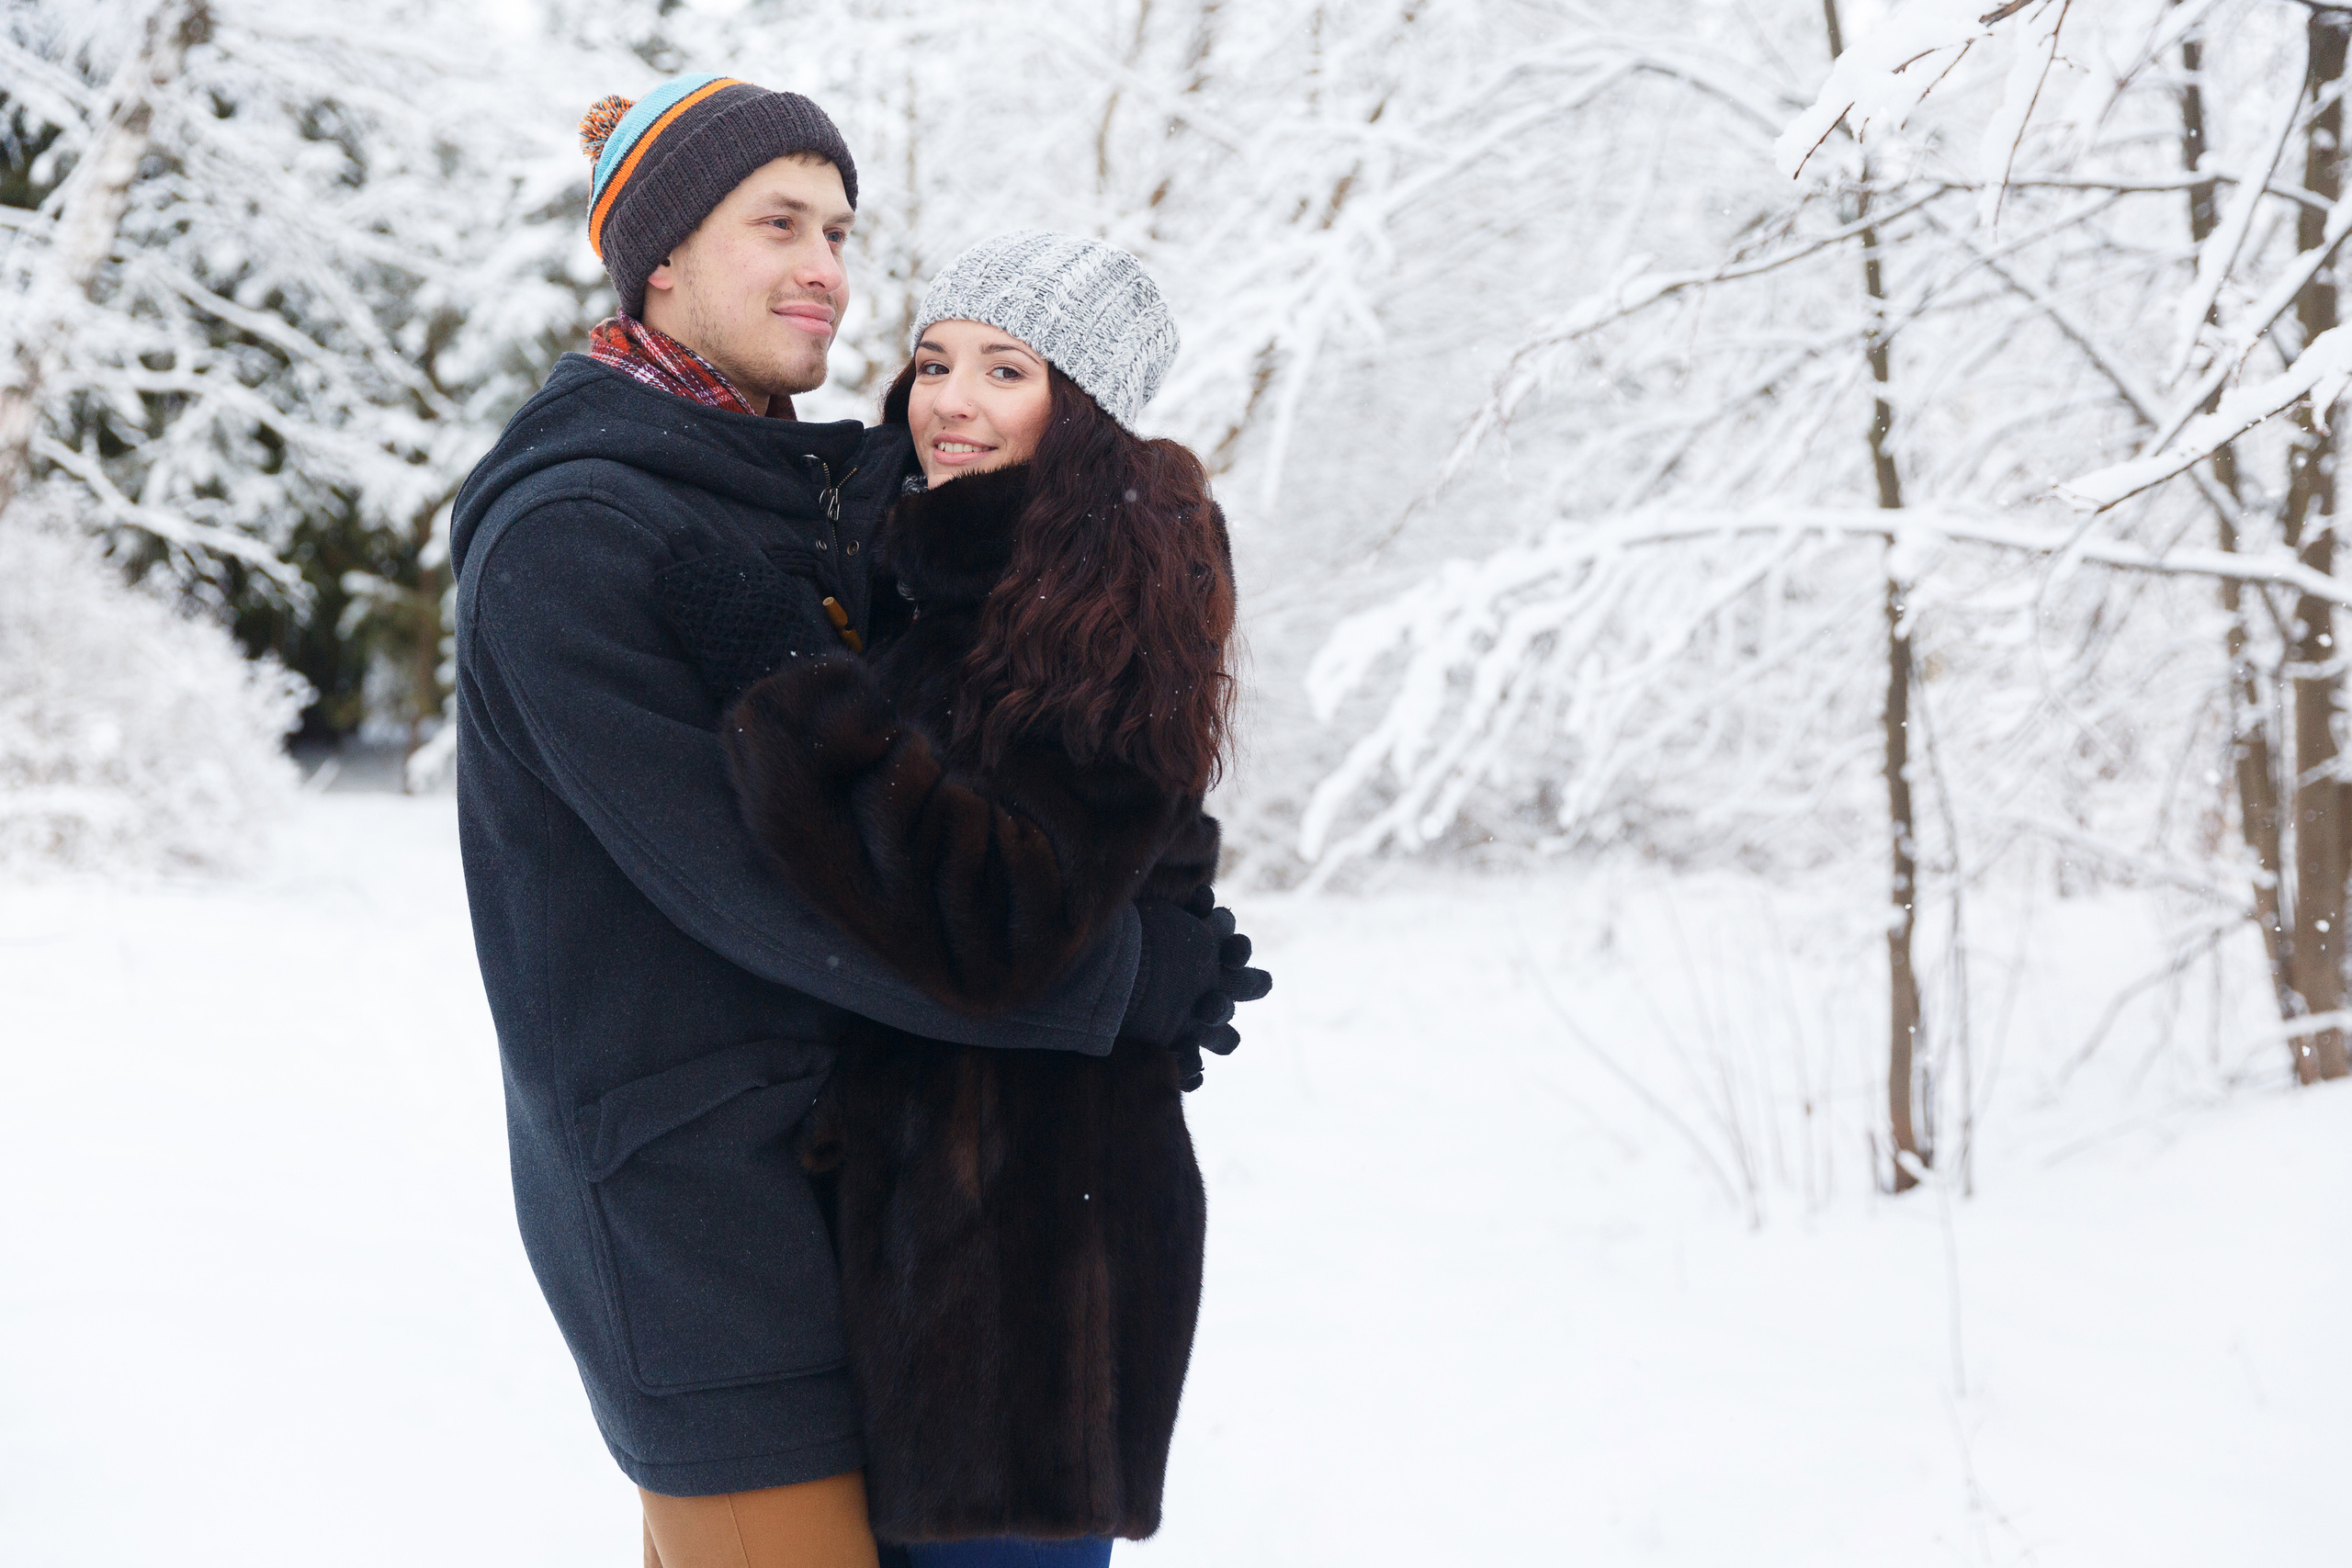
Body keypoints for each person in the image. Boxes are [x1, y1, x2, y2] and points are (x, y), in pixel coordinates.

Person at [446, 77, 1266, 1567]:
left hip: (888, 1234)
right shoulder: (578, 535)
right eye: (778, 222)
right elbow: (762, 883)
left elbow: (1015, 755)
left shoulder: (813, 491)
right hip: (705, 1233)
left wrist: (1141, 902)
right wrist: (1115, 988)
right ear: (659, 261)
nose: (828, 262)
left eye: (838, 224)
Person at [659, 231, 1265, 1565]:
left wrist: (786, 687)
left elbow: (991, 920)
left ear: (1083, 409)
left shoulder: (1113, 591)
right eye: (934, 362)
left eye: (1006, 370)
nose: (950, 401)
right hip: (918, 1238)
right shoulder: (936, 577)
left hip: (1032, 1260)